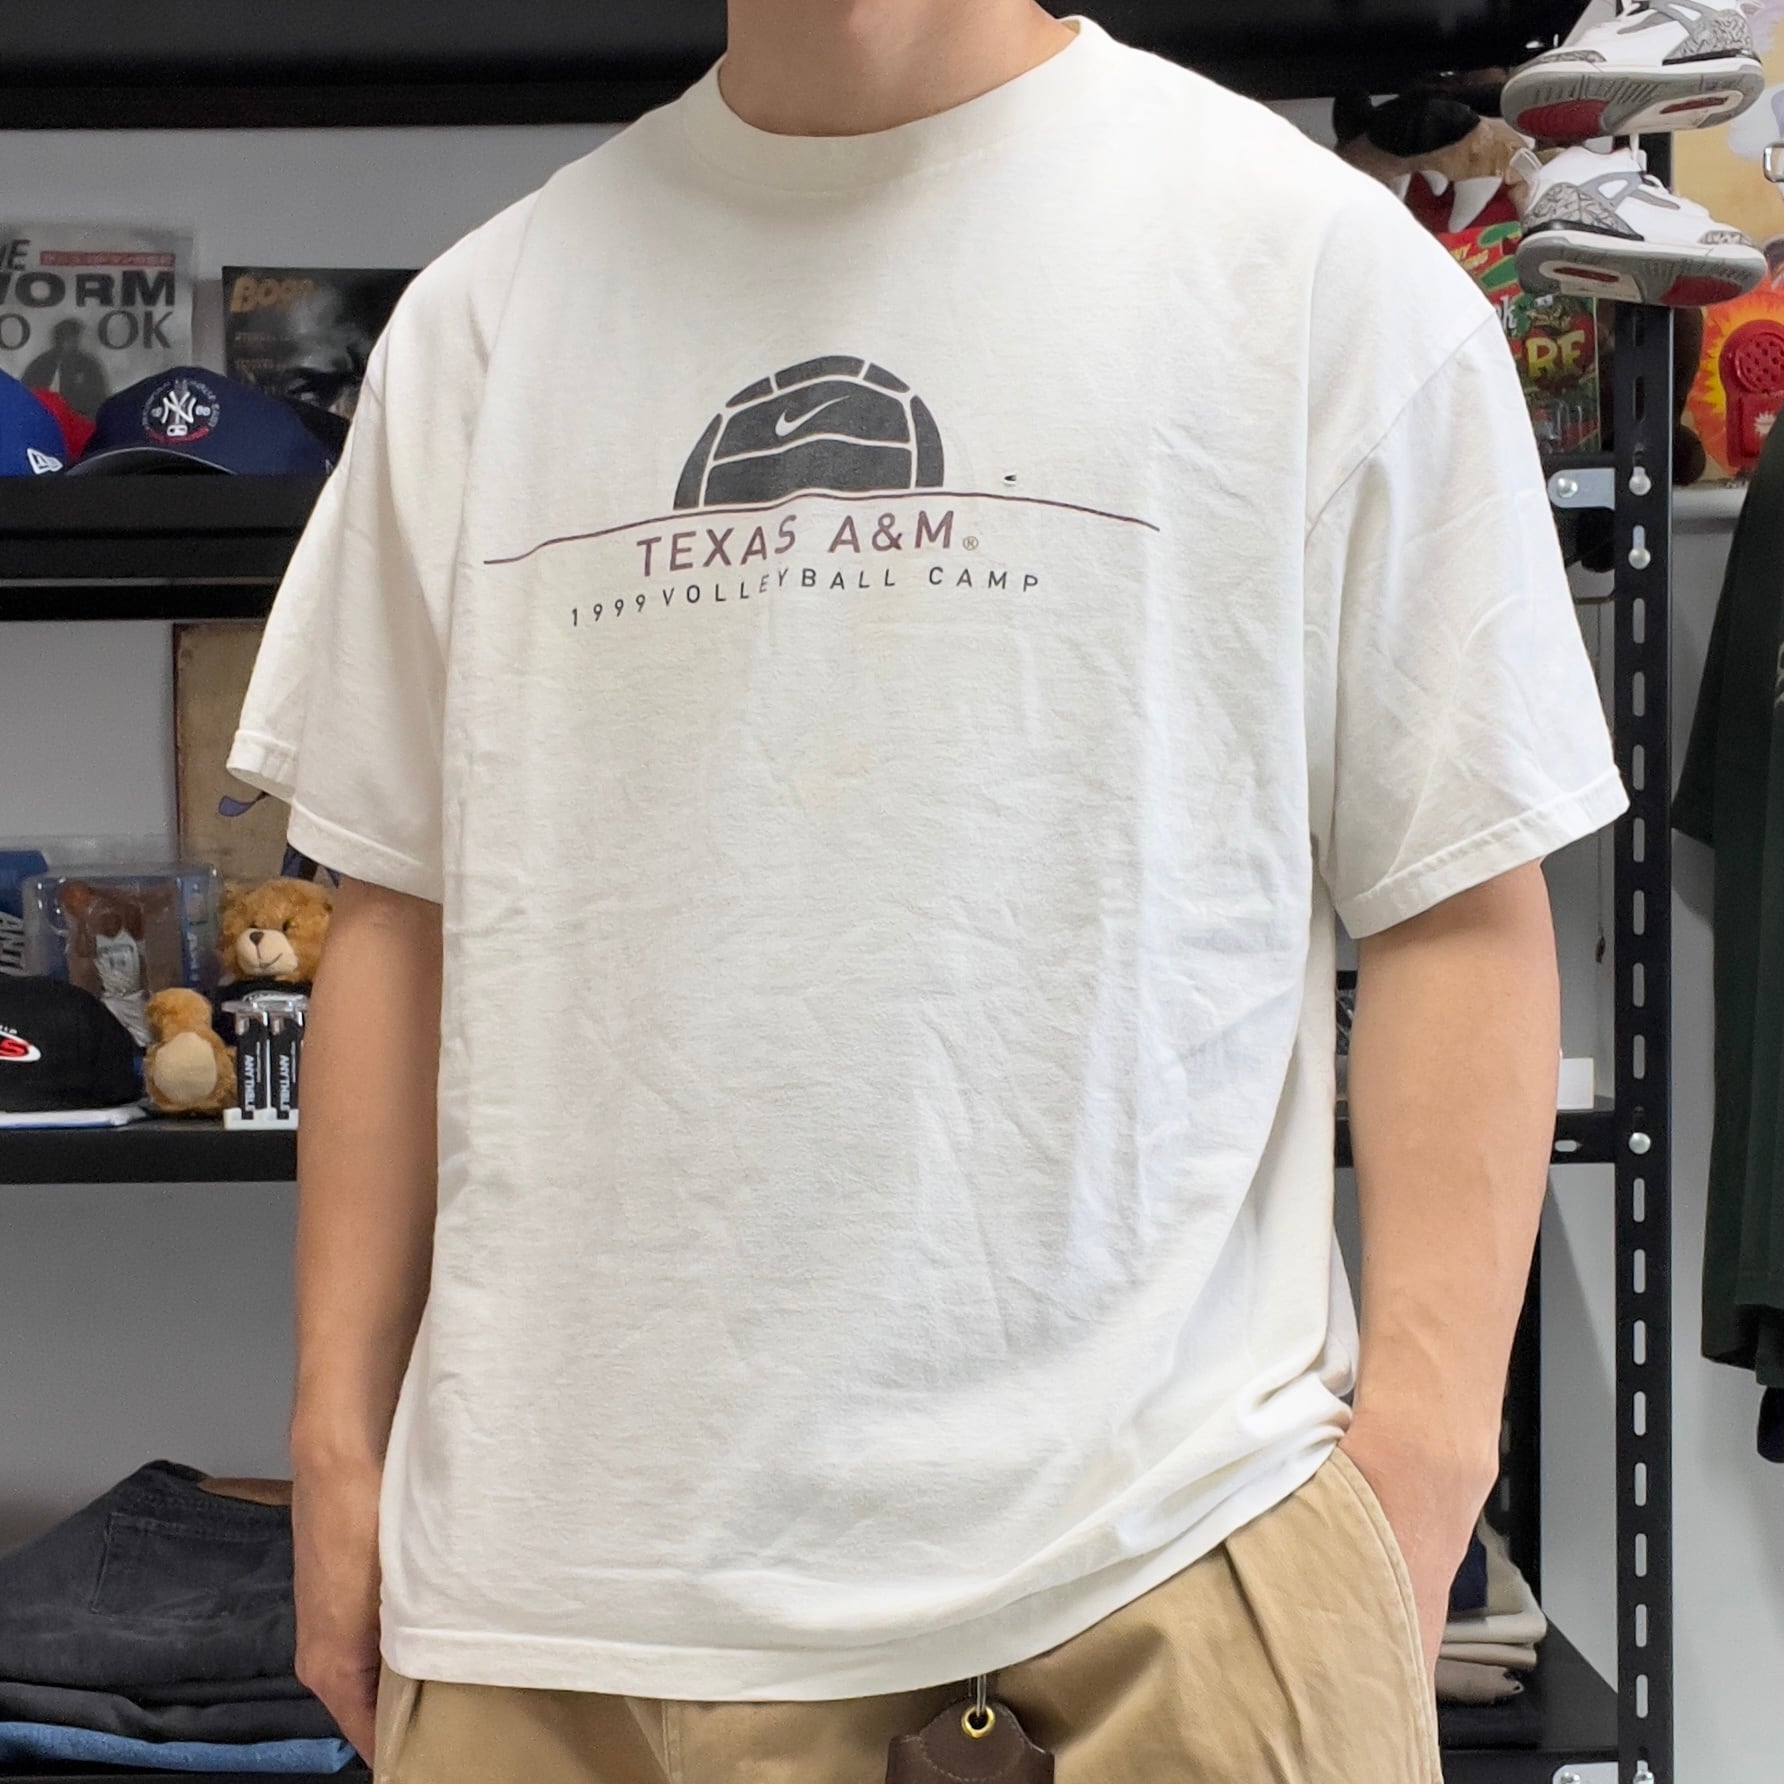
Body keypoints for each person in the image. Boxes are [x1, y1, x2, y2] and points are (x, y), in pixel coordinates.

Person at [228, 4, 1628, 1779]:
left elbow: (1457, 899)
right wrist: (334, 1445)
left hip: (1158, 1577)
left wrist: (1419, 1476)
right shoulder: (483, 325)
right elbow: (397, 913)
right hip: (551, 1627)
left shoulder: (1312, 270)